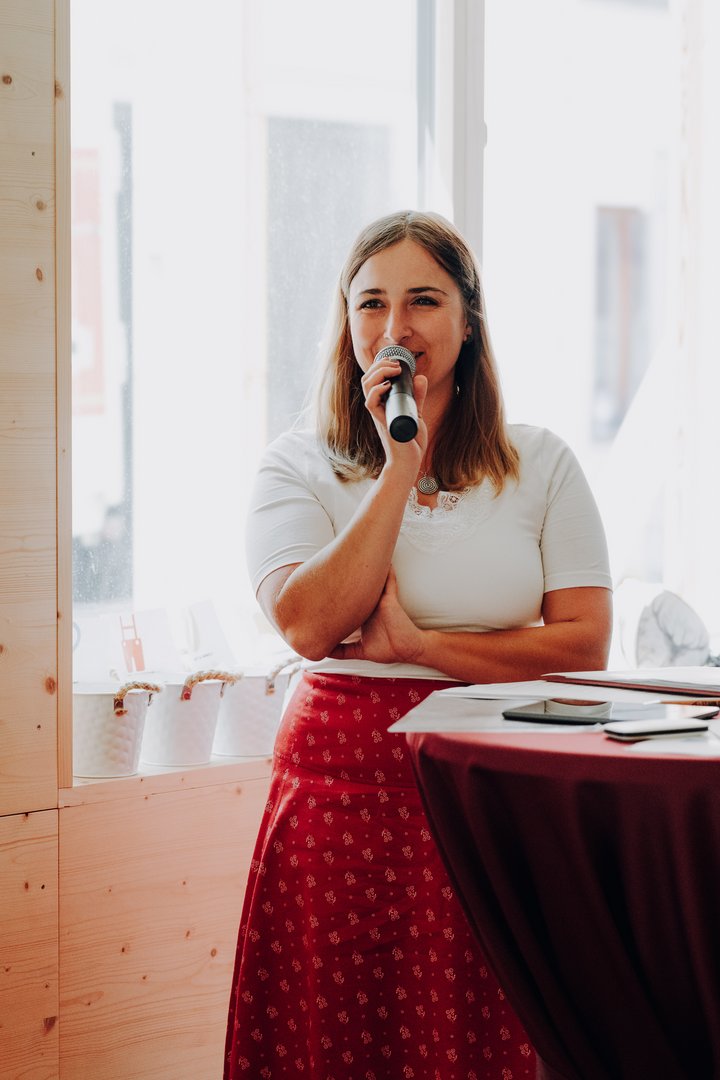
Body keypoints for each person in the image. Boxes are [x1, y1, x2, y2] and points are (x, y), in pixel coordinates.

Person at [224, 210, 613, 1080]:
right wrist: (400, 464)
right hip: (342, 800)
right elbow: (307, 625)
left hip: (499, 794)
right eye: (372, 303)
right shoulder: (294, 464)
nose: (395, 326)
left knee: (487, 1032)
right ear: (347, 323)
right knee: (341, 1037)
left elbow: (585, 643)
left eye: (423, 300)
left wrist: (424, 645)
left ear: (468, 323)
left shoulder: (541, 463)